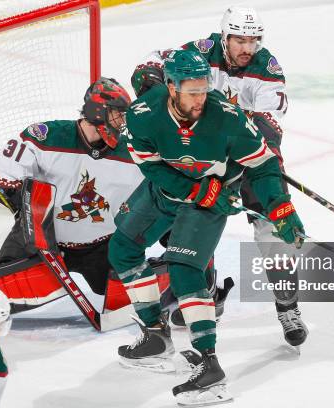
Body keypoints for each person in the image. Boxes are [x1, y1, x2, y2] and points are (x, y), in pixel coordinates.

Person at [109, 49, 304, 406]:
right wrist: (197, 189)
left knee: (184, 270)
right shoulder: (142, 115)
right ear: (171, 87)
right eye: (192, 91)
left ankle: (210, 368)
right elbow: (150, 167)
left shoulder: (227, 117)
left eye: (204, 88)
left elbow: (263, 166)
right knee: (122, 248)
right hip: (168, 193)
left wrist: (280, 207)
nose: (201, 98)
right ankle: (155, 334)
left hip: (210, 202)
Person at [130, 5, 307, 348]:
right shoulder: (199, 52)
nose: (246, 48)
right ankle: (208, 292)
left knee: (274, 232)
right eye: (239, 40)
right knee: (189, 216)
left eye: (253, 41)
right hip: (205, 160)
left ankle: (288, 307)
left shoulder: (267, 69)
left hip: (247, 159)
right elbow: (149, 65)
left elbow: (268, 129)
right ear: (225, 37)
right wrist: (152, 84)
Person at [0, 78, 155, 328]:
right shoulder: (45, 137)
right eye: (117, 114)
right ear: (97, 111)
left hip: (100, 246)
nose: (122, 122)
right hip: (40, 241)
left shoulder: (133, 151)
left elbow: (160, 193)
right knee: (1, 290)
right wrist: (17, 197)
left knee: (128, 293)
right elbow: (0, 173)